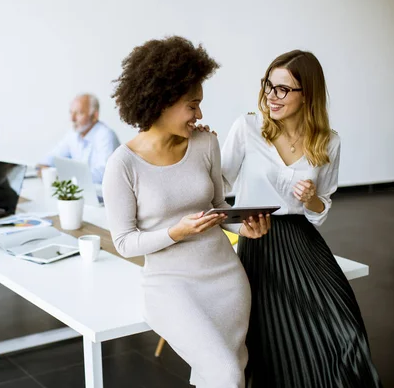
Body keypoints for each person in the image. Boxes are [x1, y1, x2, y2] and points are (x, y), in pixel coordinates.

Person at [103, 36, 270, 388]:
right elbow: (123, 241)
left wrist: (245, 229)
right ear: (162, 101)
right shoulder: (122, 164)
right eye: (192, 105)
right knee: (225, 373)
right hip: (170, 286)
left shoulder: (206, 143)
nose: (200, 115)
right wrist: (175, 232)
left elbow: (219, 209)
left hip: (226, 278)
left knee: (226, 371)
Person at [221, 50, 382, 387]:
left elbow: (320, 213)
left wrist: (312, 200)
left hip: (303, 242)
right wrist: (238, 226)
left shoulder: (329, 141)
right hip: (258, 241)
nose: (271, 96)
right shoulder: (247, 127)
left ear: (307, 93)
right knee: (279, 344)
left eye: (283, 89)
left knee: (346, 334)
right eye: (269, 85)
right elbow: (217, 189)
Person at [38, 93, 120, 184]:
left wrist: (65, 175)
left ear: (94, 116)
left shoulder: (106, 135)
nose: (72, 119)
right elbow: (51, 158)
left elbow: (104, 174)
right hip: (83, 192)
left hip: (101, 196)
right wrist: (44, 167)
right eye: (71, 112)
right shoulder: (73, 134)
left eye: (79, 113)